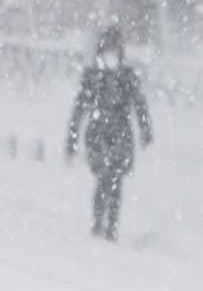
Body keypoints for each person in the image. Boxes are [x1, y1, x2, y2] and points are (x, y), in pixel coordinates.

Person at [64, 25, 153, 239]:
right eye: (107, 51)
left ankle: (111, 224)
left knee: (115, 179)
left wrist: (145, 129)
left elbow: (139, 103)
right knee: (104, 177)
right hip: (98, 133)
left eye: (114, 51)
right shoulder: (93, 76)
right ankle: (98, 221)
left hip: (120, 133)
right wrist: (72, 140)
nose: (110, 56)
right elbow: (79, 109)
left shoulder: (127, 76)